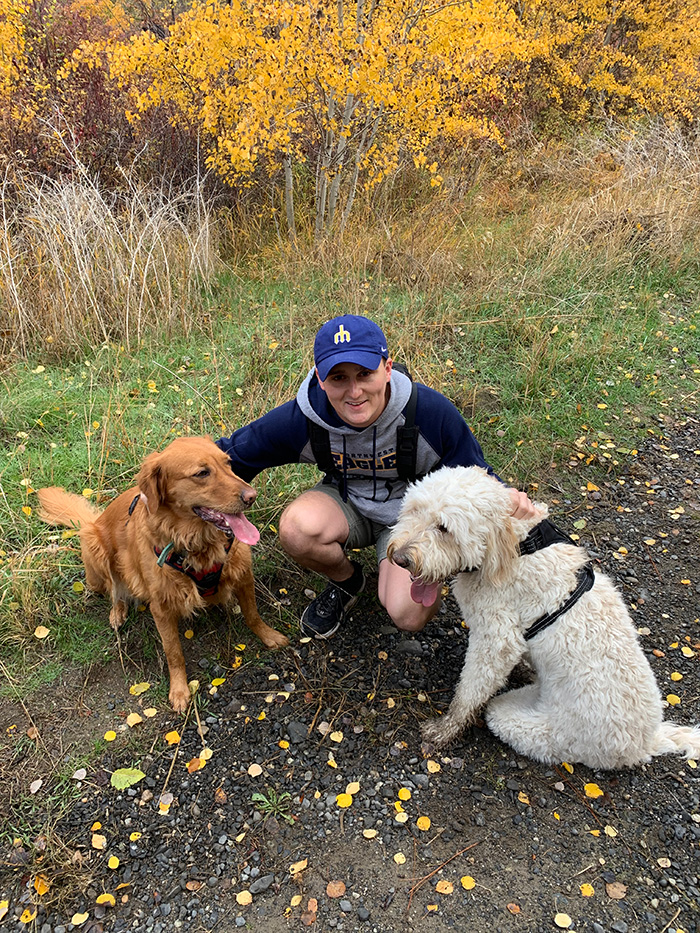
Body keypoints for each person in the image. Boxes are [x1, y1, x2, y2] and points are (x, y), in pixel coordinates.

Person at [216, 314, 536, 639]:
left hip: (415, 521)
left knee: (407, 614)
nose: (354, 391)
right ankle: (348, 582)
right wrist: (174, 487)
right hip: (347, 503)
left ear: (386, 368)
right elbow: (232, 456)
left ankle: (426, 567)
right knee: (297, 529)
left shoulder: (429, 412)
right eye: (338, 378)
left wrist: (507, 497)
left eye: (365, 374)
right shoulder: (303, 418)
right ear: (320, 378)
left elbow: (475, 475)